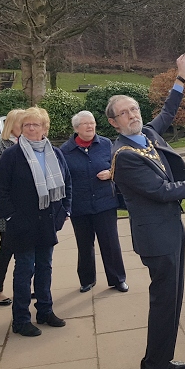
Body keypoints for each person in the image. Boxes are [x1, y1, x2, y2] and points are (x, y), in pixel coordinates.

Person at [106, 53, 185, 369]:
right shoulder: (124, 155)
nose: (133, 114)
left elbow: (168, 111)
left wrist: (181, 77)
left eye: (134, 108)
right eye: (124, 112)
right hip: (156, 237)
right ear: (114, 123)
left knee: (173, 300)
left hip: (172, 231)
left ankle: (159, 358)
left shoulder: (148, 135)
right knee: (164, 302)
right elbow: (160, 192)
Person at [0, 107, 72, 337]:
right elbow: (0, 191)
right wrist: (11, 218)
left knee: (45, 268)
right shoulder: (11, 156)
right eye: (26, 124)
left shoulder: (55, 154)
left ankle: (45, 311)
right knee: (24, 270)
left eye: (35, 124)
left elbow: (67, 184)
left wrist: (65, 211)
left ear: (45, 129)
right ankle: (21, 320)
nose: (30, 128)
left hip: (47, 222)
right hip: (21, 225)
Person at [60, 111, 128, 293]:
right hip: (79, 206)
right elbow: (63, 180)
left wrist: (111, 173)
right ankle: (87, 280)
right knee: (84, 245)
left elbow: (119, 166)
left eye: (92, 123)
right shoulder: (65, 151)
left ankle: (118, 279)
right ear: (76, 128)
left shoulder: (106, 144)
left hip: (105, 203)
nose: (90, 127)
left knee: (110, 243)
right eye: (85, 124)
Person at [0, 109, 25, 306]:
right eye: (24, 124)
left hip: (29, 211)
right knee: (7, 250)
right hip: (8, 211)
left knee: (27, 253)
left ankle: (24, 287)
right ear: (13, 125)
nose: (28, 127)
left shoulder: (32, 145)